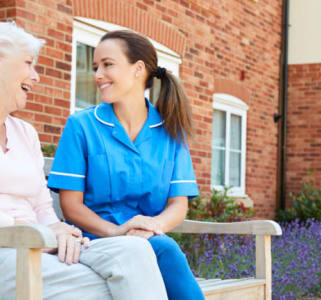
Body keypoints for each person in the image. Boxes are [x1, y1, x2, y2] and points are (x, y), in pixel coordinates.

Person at [0, 20, 167, 300]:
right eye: (28, 63)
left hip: (33, 251)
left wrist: (61, 232)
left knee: (135, 251)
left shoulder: (25, 133)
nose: (35, 76)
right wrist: (37, 232)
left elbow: (42, 208)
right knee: (111, 287)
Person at [48, 30, 204, 300]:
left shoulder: (171, 132)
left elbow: (178, 205)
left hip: (150, 240)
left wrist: (151, 228)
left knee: (161, 249)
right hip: (92, 240)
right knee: (165, 251)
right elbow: (71, 207)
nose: (97, 75)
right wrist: (118, 232)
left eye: (107, 65)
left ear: (138, 69)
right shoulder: (81, 126)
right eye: (96, 67)